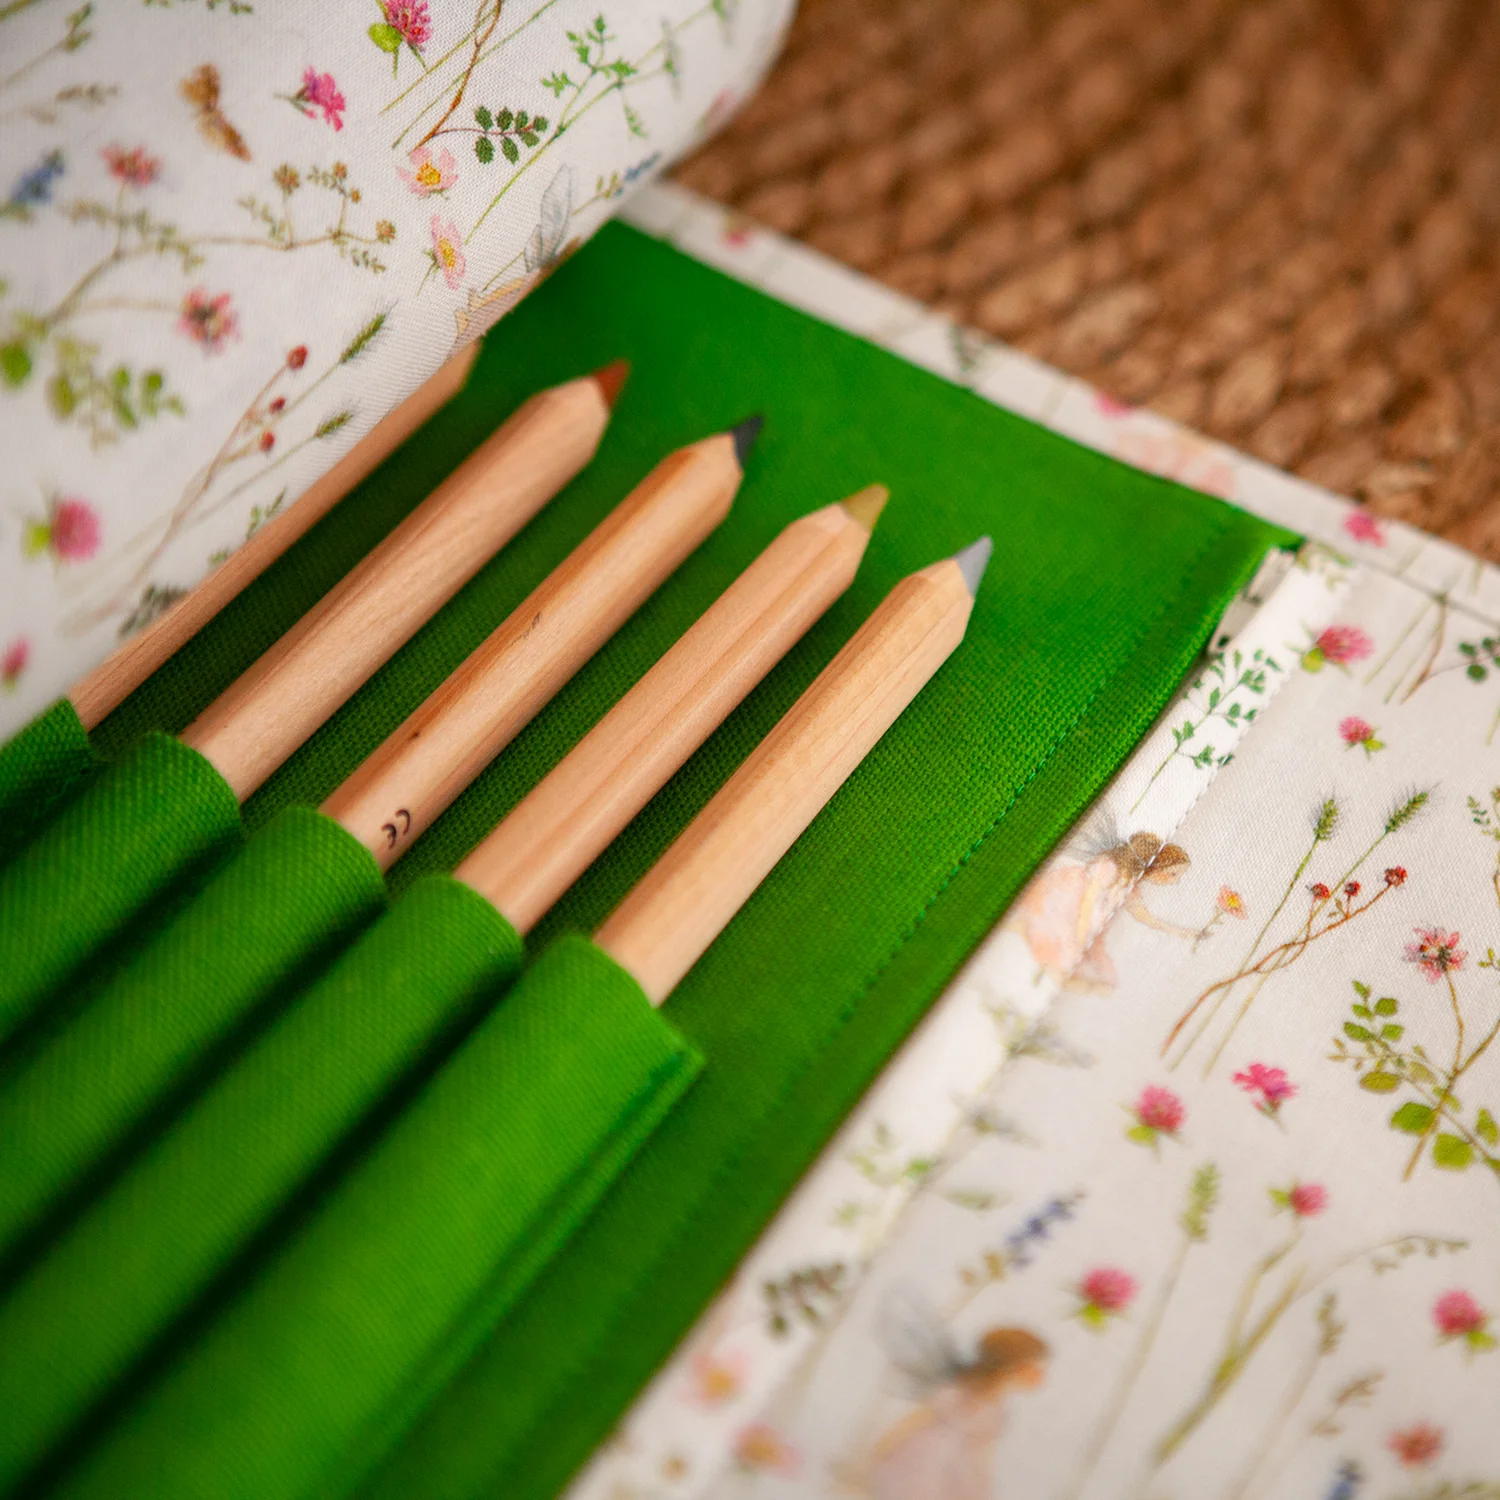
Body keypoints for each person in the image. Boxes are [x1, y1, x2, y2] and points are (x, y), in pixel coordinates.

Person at [863, 1324, 1050, 1500]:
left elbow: (984, 1452)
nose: (1041, 1377)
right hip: (925, 1463)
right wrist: (874, 1454)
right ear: (1013, 1368)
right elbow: (916, 1419)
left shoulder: (998, 1407)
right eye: (1035, 1369)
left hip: (960, 1475)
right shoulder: (961, 1392)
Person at [1006, 830, 1196, 994]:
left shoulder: (1131, 891)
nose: (1175, 881)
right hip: (1068, 907)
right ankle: (1027, 938)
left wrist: (1183, 932)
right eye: (1172, 874)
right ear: (1156, 866)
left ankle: (1043, 962)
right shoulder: (1109, 868)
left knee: (1103, 983)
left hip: (1086, 925)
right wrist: (1079, 941)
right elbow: (1087, 903)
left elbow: (1147, 918)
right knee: (1060, 958)